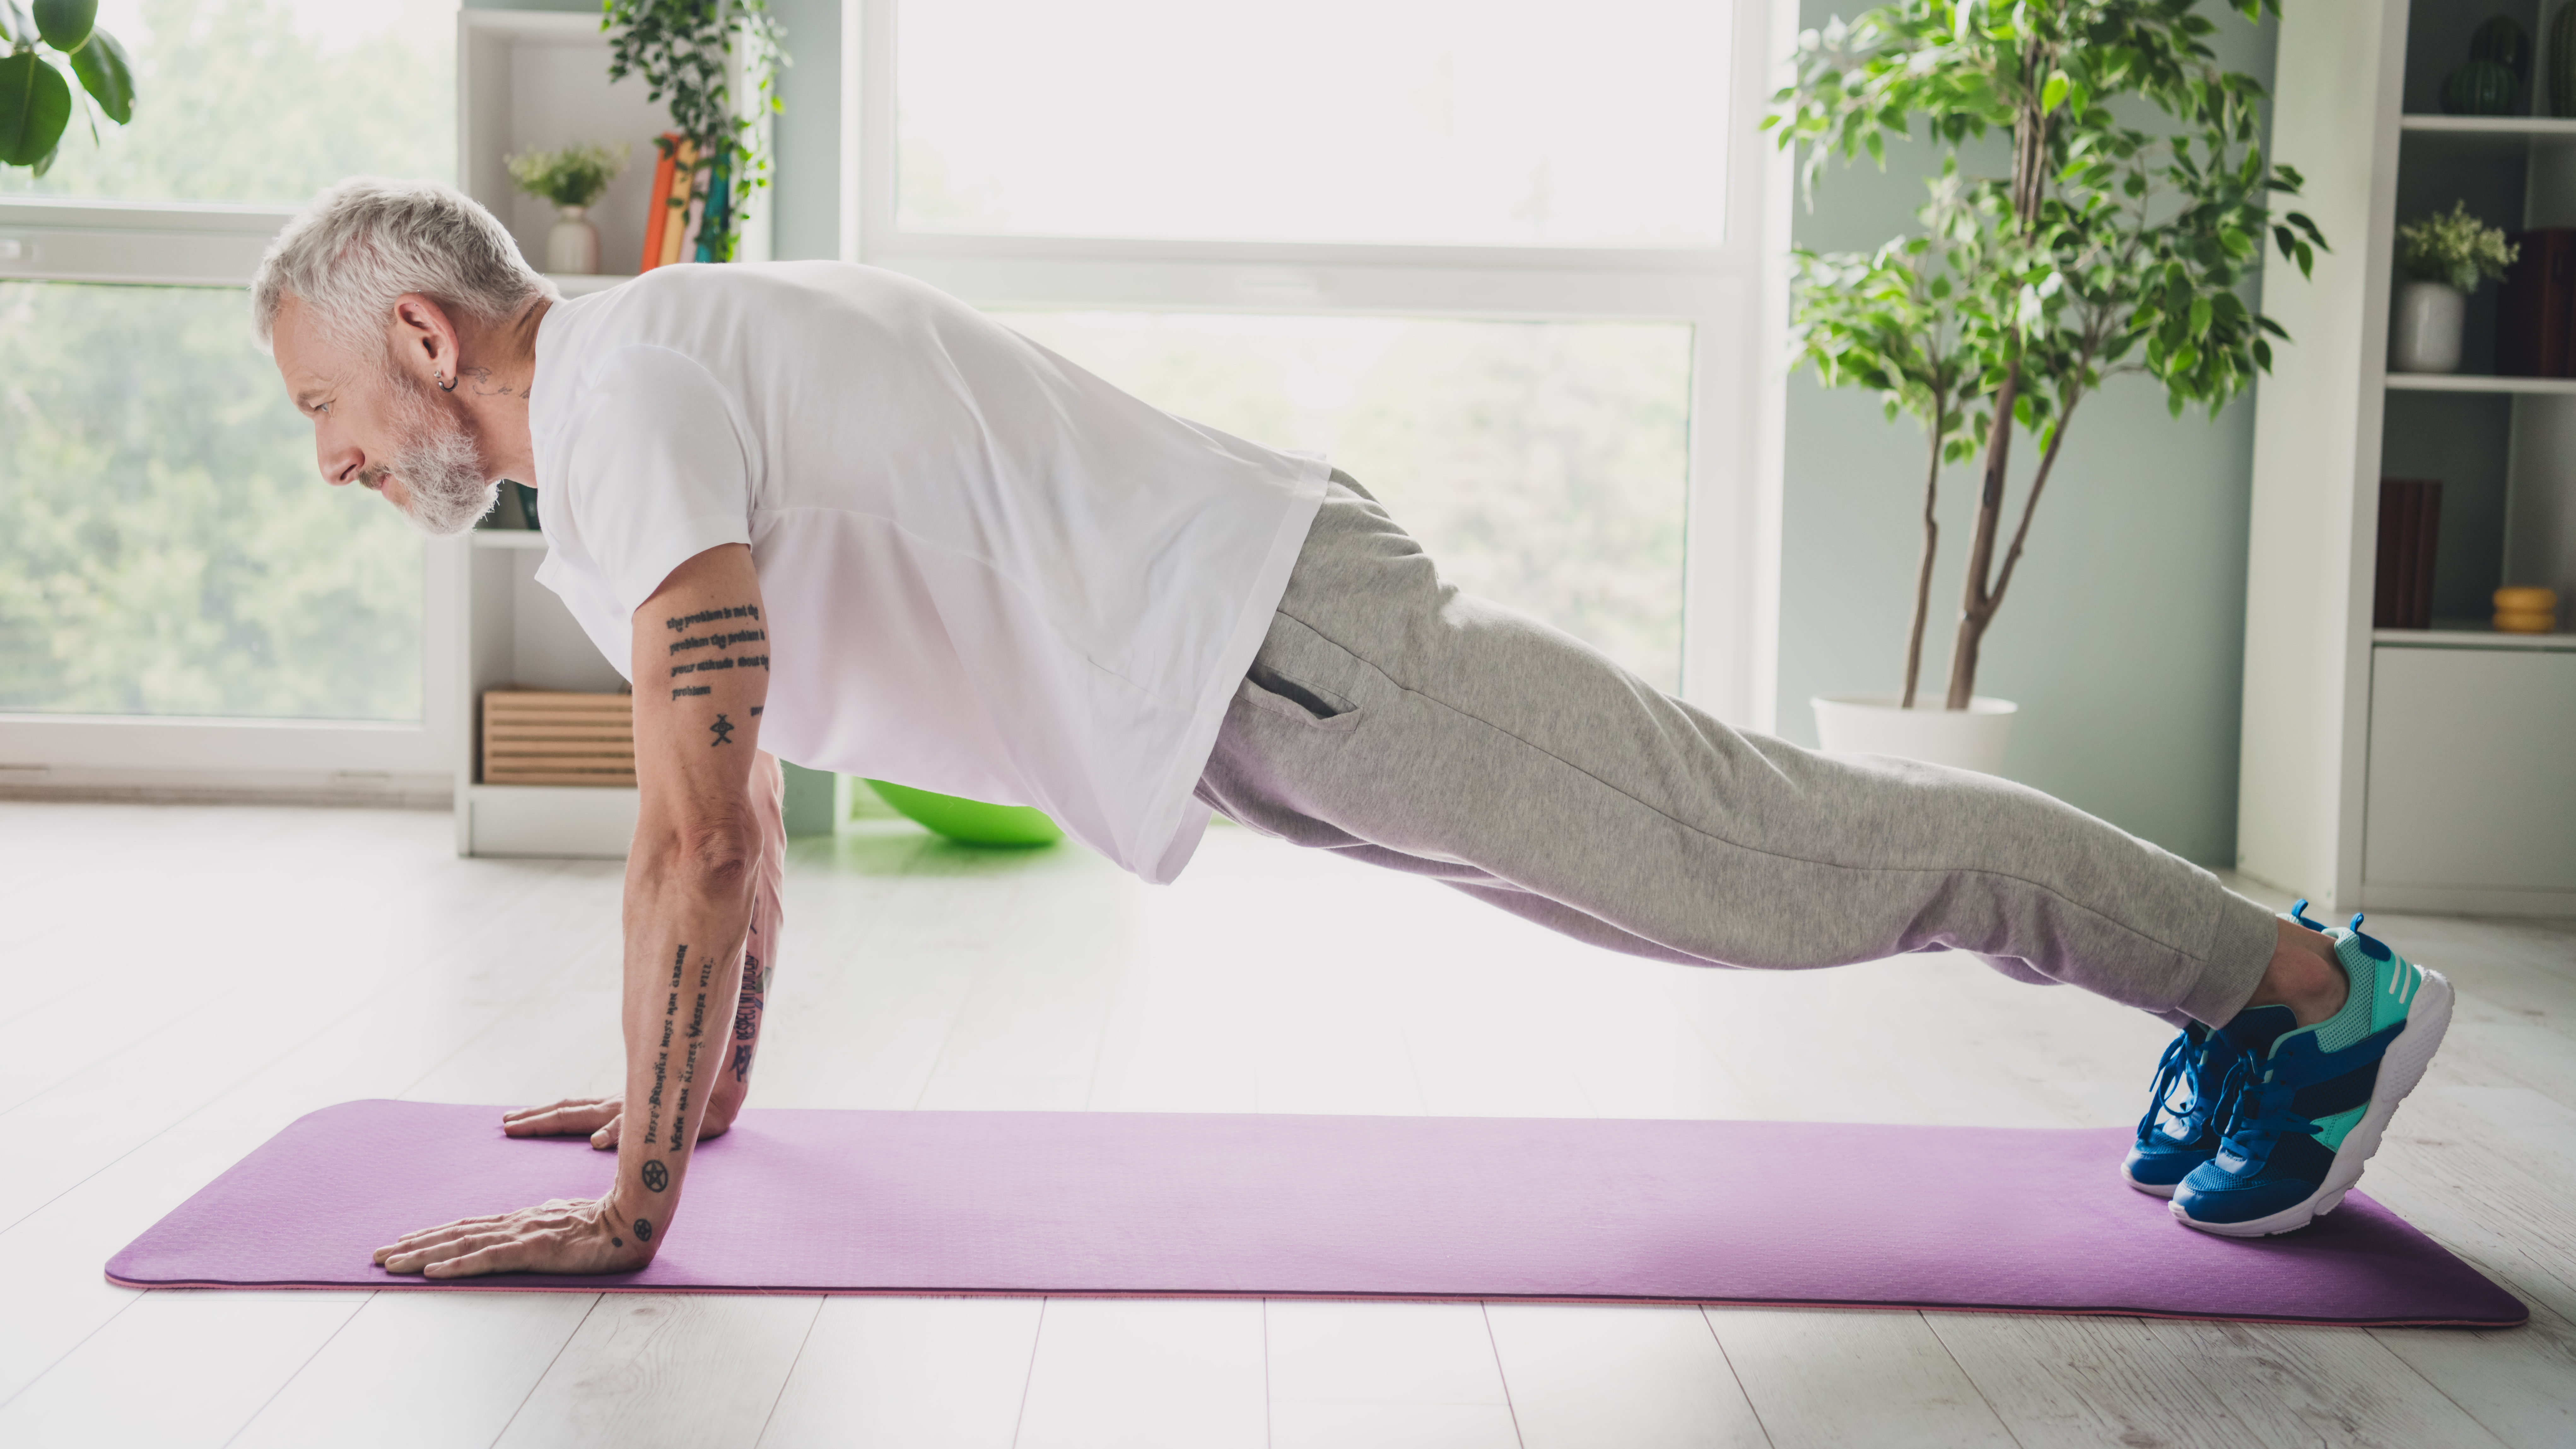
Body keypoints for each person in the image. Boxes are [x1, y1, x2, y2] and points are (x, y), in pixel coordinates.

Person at [247, 179, 2449, 1279]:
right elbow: (732, 819)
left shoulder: (620, 398)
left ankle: (2309, 994)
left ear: (423, 341)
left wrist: (635, 1200)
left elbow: (693, 843)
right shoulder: (641, 384)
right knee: (1735, 894)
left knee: (1787, 865)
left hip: (1286, 642)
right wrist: (696, 1110)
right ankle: (2253, 995)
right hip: (1261, 663)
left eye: (329, 416)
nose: (334, 468)